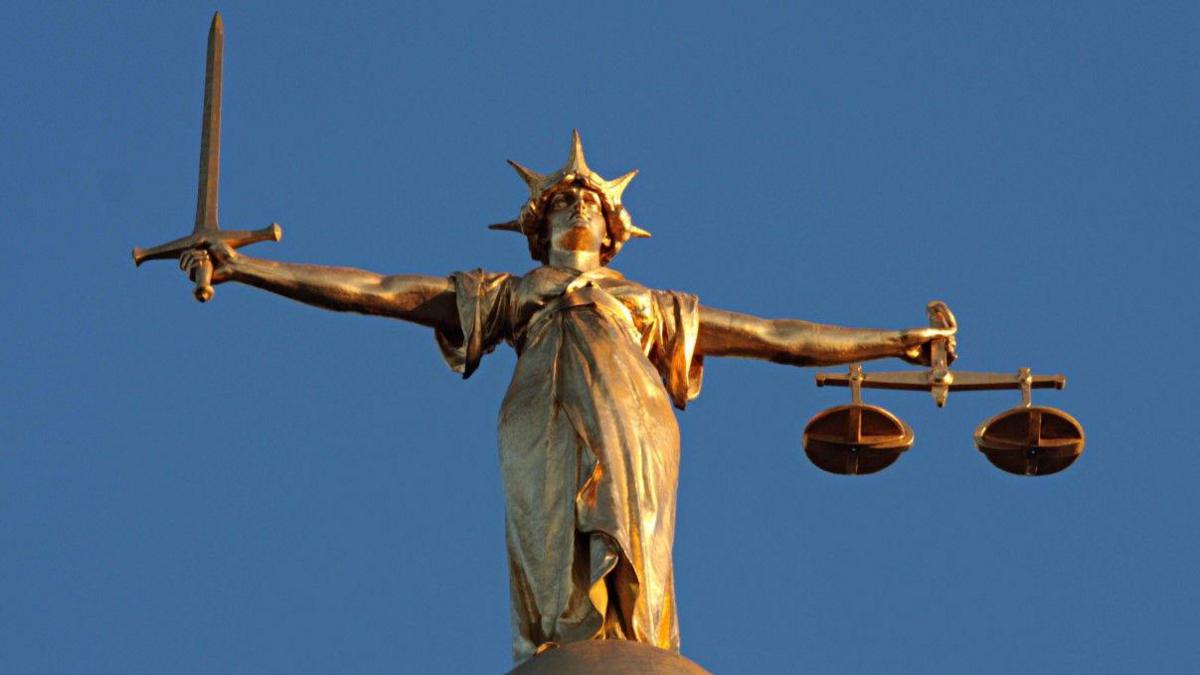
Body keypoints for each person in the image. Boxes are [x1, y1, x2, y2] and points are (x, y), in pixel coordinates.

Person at [182, 131, 955, 663]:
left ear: (614, 228)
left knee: (635, 547)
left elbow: (774, 333)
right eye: (561, 201)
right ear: (537, 222)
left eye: (588, 201)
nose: (576, 205)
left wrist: (892, 340)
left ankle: (631, 649)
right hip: (539, 418)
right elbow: (381, 292)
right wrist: (251, 271)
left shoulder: (649, 306)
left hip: (634, 420)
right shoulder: (513, 294)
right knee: (552, 548)